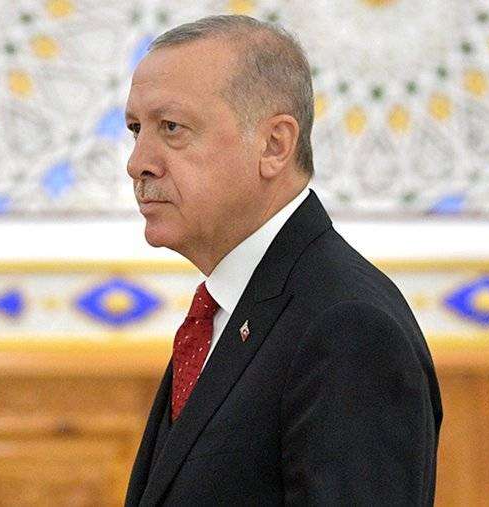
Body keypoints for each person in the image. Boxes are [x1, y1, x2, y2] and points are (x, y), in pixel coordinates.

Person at [123, 14, 442, 506]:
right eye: (135, 129)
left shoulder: (348, 329)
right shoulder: (230, 308)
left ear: (274, 145)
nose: (137, 163)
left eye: (172, 128)